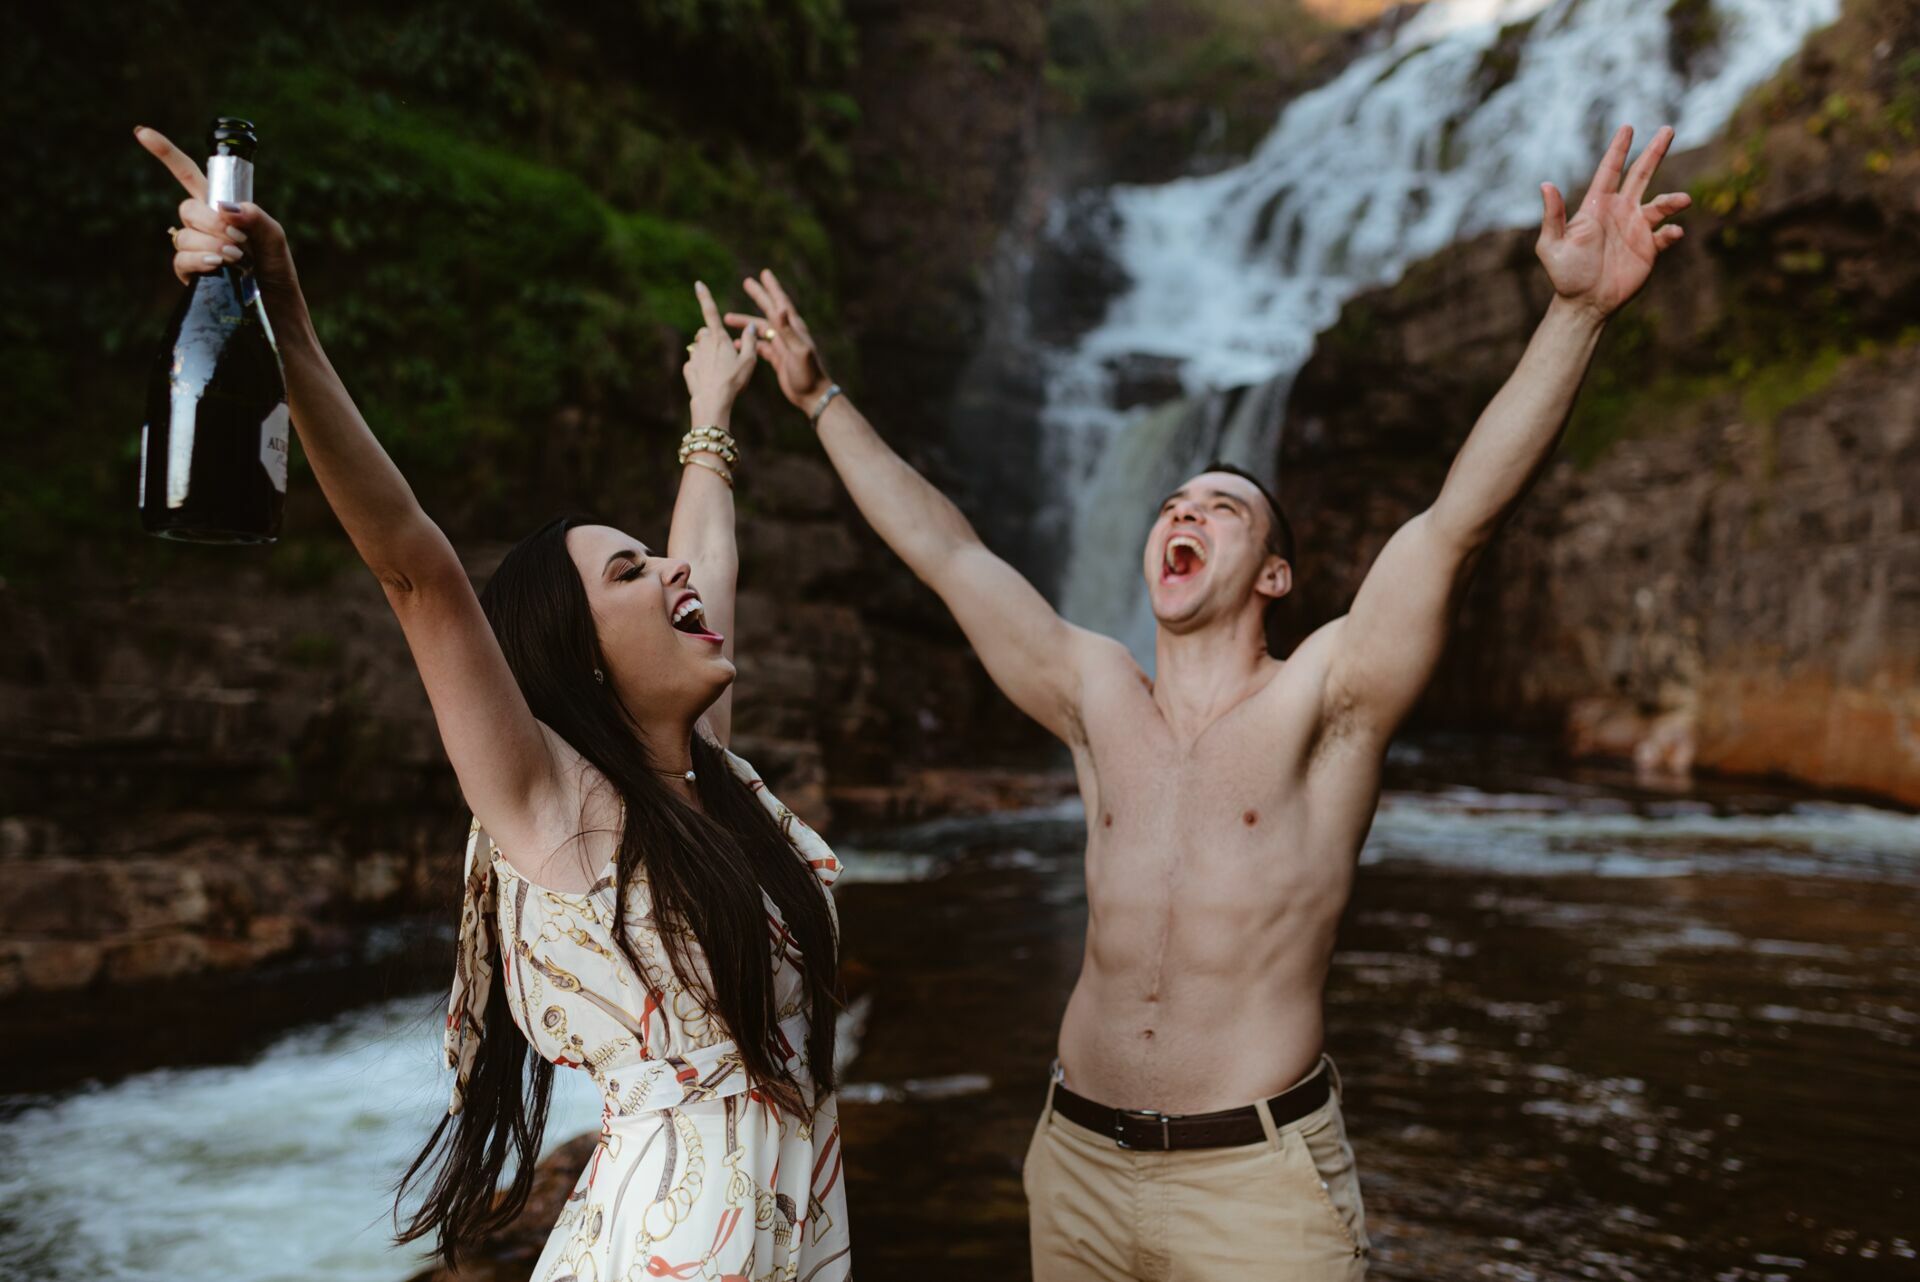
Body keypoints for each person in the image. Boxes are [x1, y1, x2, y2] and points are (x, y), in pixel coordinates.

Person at [725, 123, 1690, 1279]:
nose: (1183, 514)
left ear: (1275, 575)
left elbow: (1455, 523)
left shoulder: (1329, 700)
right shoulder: (1095, 695)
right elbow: (950, 554)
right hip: (1076, 1161)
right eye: (1173, 502)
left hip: (1255, 1185)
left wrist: (1576, 314)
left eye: (1222, 508)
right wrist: (821, 394)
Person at [134, 127, 854, 1281]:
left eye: (652, 560)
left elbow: (706, 558)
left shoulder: (707, 775)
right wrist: (285, 318)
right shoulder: (556, 806)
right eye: (628, 571)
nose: (671, 573)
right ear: (577, 655)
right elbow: (417, 571)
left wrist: (711, 407)